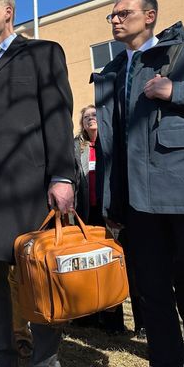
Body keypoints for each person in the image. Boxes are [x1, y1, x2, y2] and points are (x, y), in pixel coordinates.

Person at [0, 0, 75, 367]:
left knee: (38, 280)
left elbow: (57, 116)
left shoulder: (43, 53)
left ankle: (45, 359)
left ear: (8, 12)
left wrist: (62, 176)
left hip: (28, 191)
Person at [92, 0, 184, 367]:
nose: (116, 20)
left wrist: (177, 90)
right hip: (137, 202)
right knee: (152, 294)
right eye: (112, 16)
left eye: (123, 13)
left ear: (150, 16)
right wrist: (112, 201)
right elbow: (110, 141)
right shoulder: (112, 72)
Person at [71, 105, 127, 334]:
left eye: (94, 115)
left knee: (110, 264)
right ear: (82, 123)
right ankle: (87, 317)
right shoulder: (77, 146)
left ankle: (113, 321)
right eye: (86, 117)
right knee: (86, 264)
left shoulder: (111, 143)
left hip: (109, 214)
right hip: (86, 214)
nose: (91, 119)